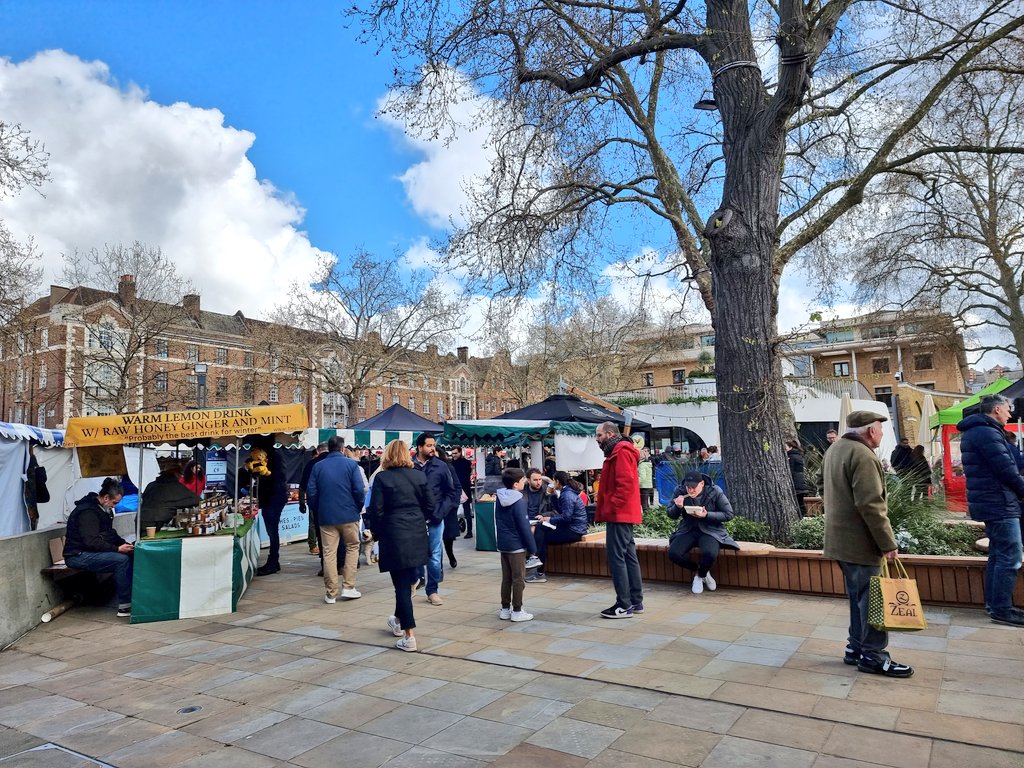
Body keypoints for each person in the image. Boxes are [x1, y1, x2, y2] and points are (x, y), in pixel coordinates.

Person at [823, 410, 913, 677]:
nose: (882, 434)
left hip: (840, 540)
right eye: (881, 430)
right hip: (860, 541)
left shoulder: (836, 449)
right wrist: (887, 542)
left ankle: (856, 648)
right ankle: (873, 656)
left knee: (858, 597)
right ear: (871, 431)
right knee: (873, 599)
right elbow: (871, 504)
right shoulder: (862, 455)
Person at [957, 395, 1024, 626]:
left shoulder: (978, 431)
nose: (1010, 414)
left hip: (991, 501)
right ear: (996, 410)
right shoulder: (987, 432)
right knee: (1010, 556)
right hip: (999, 502)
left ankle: (995, 606)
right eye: (1008, 410)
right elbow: (1006, 469)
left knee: (998, 554)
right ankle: (1002, 609)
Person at [365, 439, 433, 652]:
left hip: (394, 533)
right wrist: (420, 518)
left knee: (402, 586)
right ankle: (397, 619)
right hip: (416, 531)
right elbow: (430, 505)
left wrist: (376, 533)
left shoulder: (383, 478)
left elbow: (375, 511)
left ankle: (409, 634)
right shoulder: (419, 476)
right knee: (408, 580)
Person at [308, 437, 367, 604]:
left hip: (326, 516)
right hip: (349, 514)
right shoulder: (351, 465)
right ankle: (348, 587)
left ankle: (331, 592)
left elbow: (311, 492)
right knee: (352, 548)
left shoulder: (318, 466)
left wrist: (318, 509)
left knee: (328, 553)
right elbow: (359, 489)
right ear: (342, 449)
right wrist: (357, 507)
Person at [594, 421, 644, 618]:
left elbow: (624, 484)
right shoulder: (621, 450)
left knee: (617, 558)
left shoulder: (620, 451)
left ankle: (624, 604)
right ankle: (635, 601)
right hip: (623, 512)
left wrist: (612, 507)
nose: (597, 439)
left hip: (619, 513)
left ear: (608, 434)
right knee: (628, 556)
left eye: (598, 435)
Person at [63, 478, 133, 617]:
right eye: (114, 503)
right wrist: (117, 549)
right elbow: (91, 541)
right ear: (106, 498)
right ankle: (125, 606)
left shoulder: (100, 510)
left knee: (129, 555)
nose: (114, 506)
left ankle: (132, 597)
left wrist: (125, 544)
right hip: (77, 555)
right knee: (121, 560)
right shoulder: (88, 512)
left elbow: (110, 534)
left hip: (85, 552)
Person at [666, 470, 738, 593]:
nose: (690, 490)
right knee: (674, 554)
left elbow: (728, 514)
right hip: (688, 529)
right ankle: (700, 571)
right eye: (688, 487)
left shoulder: (714, 491)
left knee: (710, 553)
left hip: (710, 530)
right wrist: (677, 507)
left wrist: (707, 515)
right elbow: (670, 514)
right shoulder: (680, 491)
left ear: (702, 484)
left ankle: (700, 576)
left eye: (693, 487)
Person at [413, 433, 459, 606]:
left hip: (436, 517)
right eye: (429, 445)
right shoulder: (409, 466)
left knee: (434, 555)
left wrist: (442, 510)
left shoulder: (441, 466)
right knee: (415, 554)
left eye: (433, 445)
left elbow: (451, 491)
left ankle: (432, 590)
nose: (433, 448)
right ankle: (415, 581)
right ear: (419, 447)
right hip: (415, 518)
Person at [528, 471, 588, 583]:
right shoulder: (568, 492)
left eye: (553, 481)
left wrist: (549, 519)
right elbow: (561, 511)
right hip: (573, 528)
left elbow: (566, 518)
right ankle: (536, 563)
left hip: (574, 531)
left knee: (542, 534)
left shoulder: (567, 495)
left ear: (557, 482)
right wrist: (553, 495)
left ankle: (538, 567)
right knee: (541, 529)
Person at [495, 467, 536, 622]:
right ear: (515, 484)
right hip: (517, 545)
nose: (525, 482)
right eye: (523, 480)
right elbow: (524, 527)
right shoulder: (519, 501)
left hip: (504, 544)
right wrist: (532, 548)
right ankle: (517, 610)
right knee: (518, 579)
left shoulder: (500, 497)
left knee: (506, 578)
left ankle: (505, 609)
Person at [255, 442, 288, 576]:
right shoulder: (276, 457)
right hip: (273, 497)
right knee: (272, 531)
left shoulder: (272, 459)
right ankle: (274, 561)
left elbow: (273, 478)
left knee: (272, 531)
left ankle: (273, 562)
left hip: (273, 498)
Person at [140, 461, 202, 531]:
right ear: (175, 473)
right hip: (155, 522)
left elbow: (144, 498)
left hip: (141, 518)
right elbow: (197, 500)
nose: (180, 476)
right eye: (180, 474)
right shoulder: (175, 486)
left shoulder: (151, 485)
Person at [298, 444, 327, 561]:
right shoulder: (342, 463)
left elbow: (303, 485)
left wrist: (301, 502)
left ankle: (322, 558)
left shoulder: (311, 464)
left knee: (315, 526)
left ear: (318, 452)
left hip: (315, 502)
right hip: (333, 503)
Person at [435, 446, 462, 569]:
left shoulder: (448, 467)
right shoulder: (426, 468)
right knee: (435, 537)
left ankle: (451, 555)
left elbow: (457, 486)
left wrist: (454, 504)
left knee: (448, 536)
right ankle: (437, 563)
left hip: (448, 506)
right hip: (434, 507)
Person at [450, 446, 474, 538]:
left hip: (465, 490)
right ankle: (454, 532)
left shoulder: (467, 463)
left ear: (460, 452)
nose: (454, 455)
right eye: (452, 453)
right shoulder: (450, 463)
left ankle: (469, 531)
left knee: (467, 512)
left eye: (456, 453)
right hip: (454, 490)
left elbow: (467, 475)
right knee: (453, 512)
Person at [786, 440, 811, 514]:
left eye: (785, 448)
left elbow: (790, 470)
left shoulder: (791, 457)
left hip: (796, 483)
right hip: (800, 483)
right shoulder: (798, 456)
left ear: (790, 447)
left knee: (798, 503)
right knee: (800, 503)